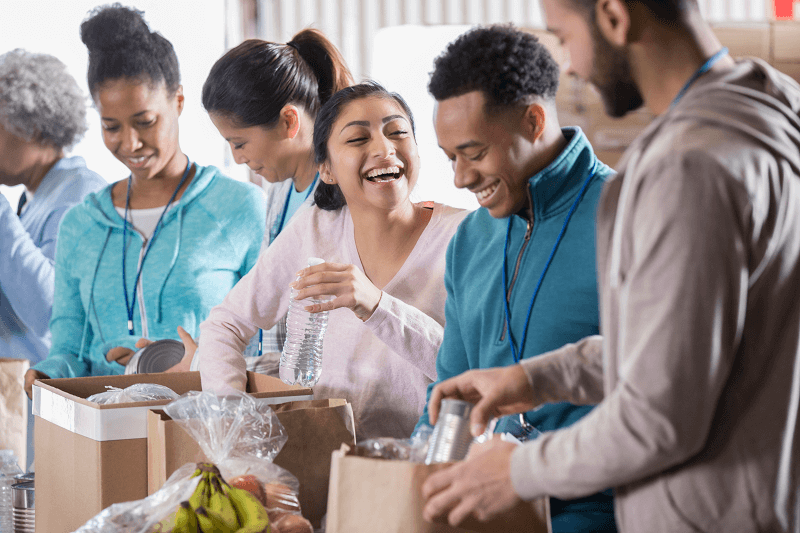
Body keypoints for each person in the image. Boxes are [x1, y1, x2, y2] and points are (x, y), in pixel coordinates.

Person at [422, 1, 800, 532]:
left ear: (615, 17)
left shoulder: (685, 168)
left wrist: (520, 470)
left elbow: (659, 416)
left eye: (565, 35)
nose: (572, 67)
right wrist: (538, 377)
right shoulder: (769, 113)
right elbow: (680, 349)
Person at [417, 25, 616, 532]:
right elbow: (451, 397)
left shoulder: (627, 217)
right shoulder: (469, 240)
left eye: (475, 153)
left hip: (602, 515)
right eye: (450, 158)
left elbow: (662, 387)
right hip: (490, 512)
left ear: (533, 121)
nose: (460, 178)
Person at [194, 82, 468, 440]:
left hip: (424, 474)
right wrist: (233, 423)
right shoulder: (317, 226)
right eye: (358, 139)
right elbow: (225, 324)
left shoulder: (465, 235)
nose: (385, 148)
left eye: (398, 132)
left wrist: (376, 304)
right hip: (325, 462)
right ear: (326, 169)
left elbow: (477, 371)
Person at [24, 4, 265, 394]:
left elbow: (273, 340)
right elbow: (68, 347)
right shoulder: (80, 224)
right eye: (111, 127)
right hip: (107, 437)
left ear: (179, 102)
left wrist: (204, 360)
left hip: (205, 431)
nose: (130, 143)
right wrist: (47, 373)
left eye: (145, 122)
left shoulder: (238, 207)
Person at [201, 29, 353, 372]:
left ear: (288, 121)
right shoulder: (281, 192)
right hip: (285, 387)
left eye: (240, 143)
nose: (237, 159)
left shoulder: (344, 198)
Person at [0, 48, 106, 468]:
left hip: (41, 400)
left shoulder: (79, 196)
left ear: (35, 126)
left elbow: (48, 311)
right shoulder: (34, 199)